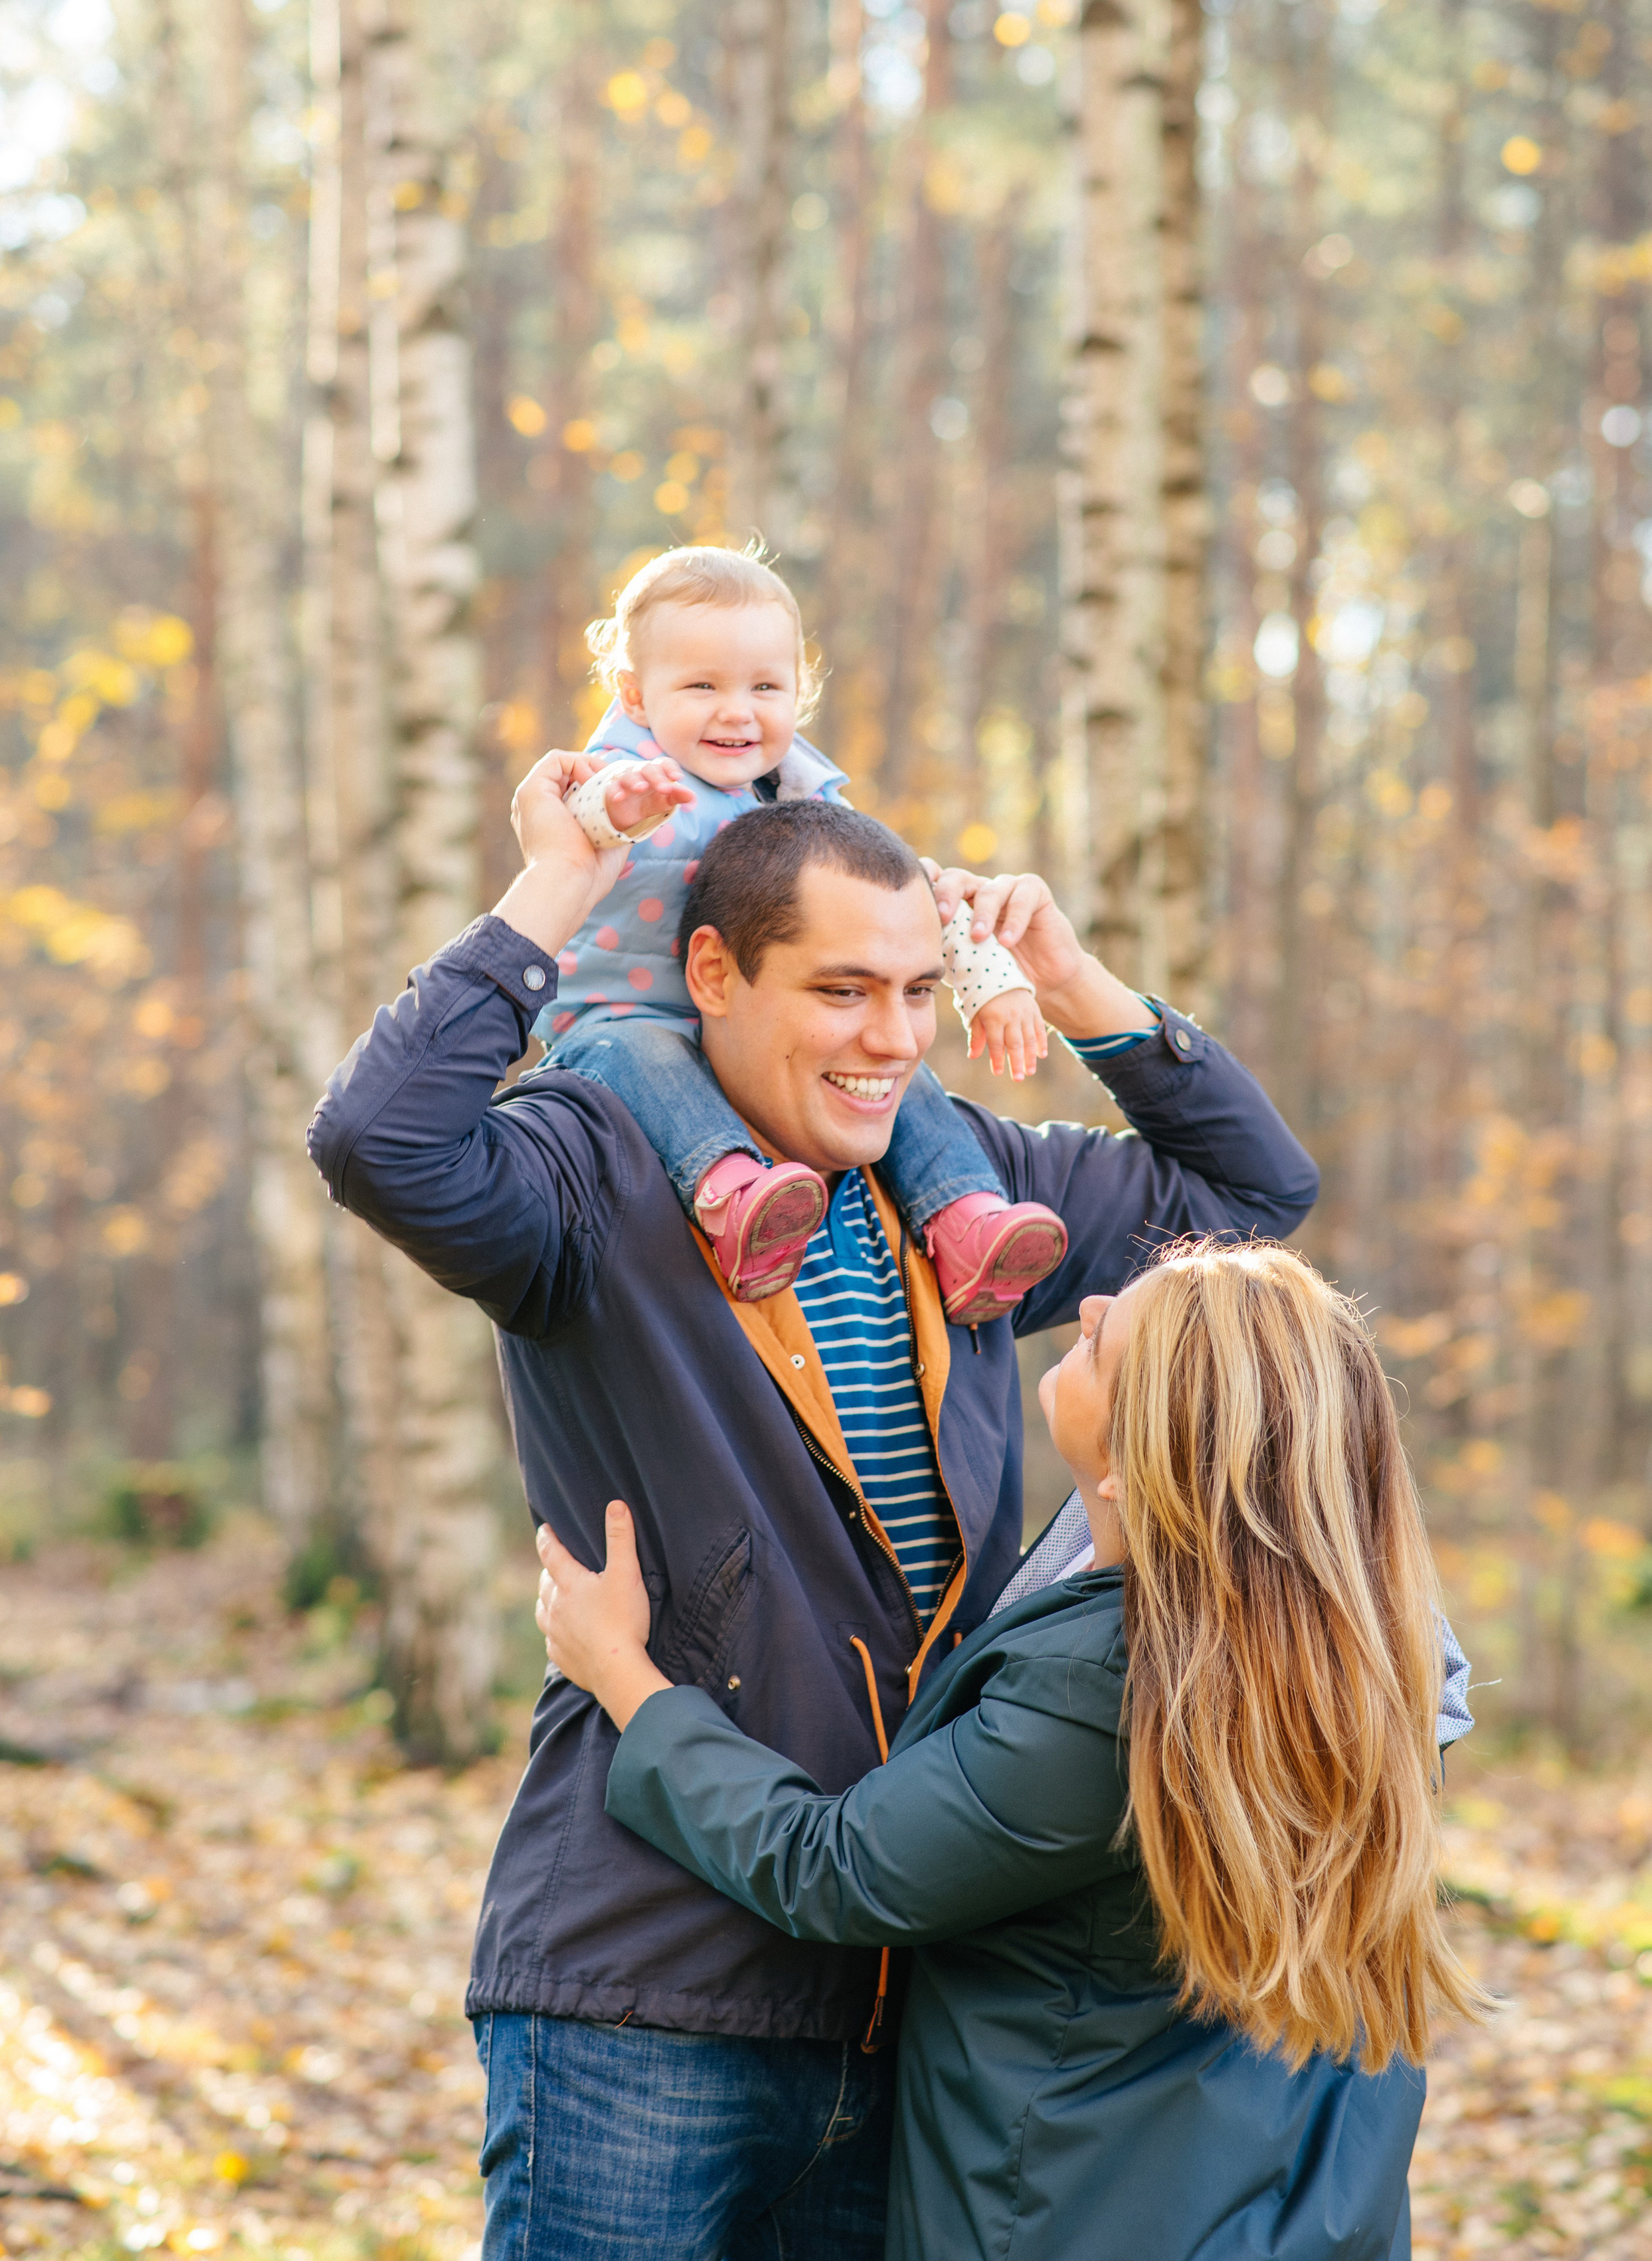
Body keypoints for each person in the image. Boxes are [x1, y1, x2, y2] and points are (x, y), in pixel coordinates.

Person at [307, 763, 1320, 2261]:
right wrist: (552, 889)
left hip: (907, 1991)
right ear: (710, 970)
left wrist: (1072, 978)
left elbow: (1252, 1191)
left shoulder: (966, 1192)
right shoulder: (589, 1174)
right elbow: (377, 1142)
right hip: (641, 1983)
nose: (892, 1040)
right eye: (843, 990)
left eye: (916, 990)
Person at [536, 1238, 1487, 2261]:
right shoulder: (1364, 1657)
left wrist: (622, 1673)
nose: (1088, 1306)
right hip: (1295, 2215)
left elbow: (835, 1868)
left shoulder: (1111, 1698)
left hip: (1078, 2219)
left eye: (1112, 1338)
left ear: (1138, 1466)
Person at [533, 541, 1067, 1320]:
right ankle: (735, 1201)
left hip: (747, 1037)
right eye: (701, 685)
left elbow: (898, 894)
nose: (736, 710)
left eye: (764, 686)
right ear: (637, 696)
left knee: (900, 1068)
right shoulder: (627, 775)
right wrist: (614, 812)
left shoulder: (802, 802)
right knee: (650, 1060)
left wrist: (994, 981)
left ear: (798, 691)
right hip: (620, 1025)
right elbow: (573, 825)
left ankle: (965, 1219)